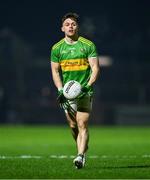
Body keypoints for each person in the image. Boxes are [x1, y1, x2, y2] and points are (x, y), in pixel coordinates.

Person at [50, 12, 100, 169]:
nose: (70, 26)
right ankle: (82, 146)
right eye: (67, 24)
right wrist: (59, 90)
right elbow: (55, 71)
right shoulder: (57, 48)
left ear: (78, 26)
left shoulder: (88, 45)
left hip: (85, 91)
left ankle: (80, 155)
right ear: (62, 28)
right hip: (67, 93)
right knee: (73, 126)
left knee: (82, 123)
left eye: (73, 24)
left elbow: (95, 68)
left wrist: (88, 85)